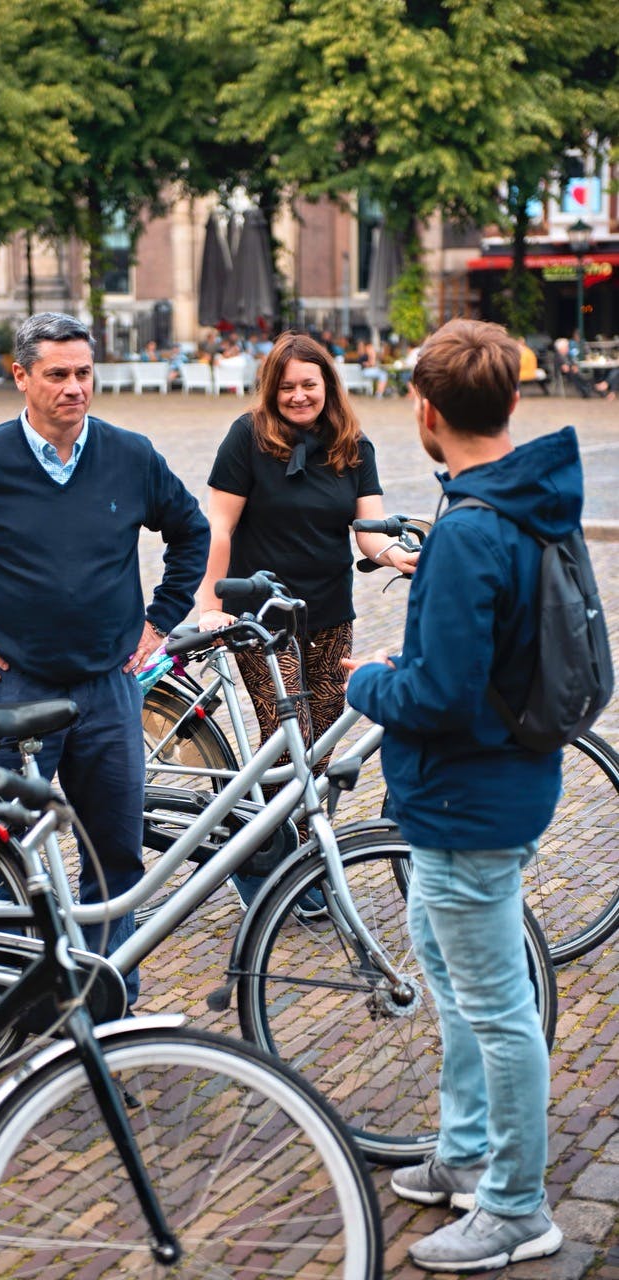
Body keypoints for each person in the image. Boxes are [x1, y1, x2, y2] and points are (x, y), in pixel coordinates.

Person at [0, 311, 210, 1006]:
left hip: (108, 688)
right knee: (5, 857)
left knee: (113, 856)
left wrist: (159, 620)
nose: (73, 387)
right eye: (57, 374)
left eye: (83, 372)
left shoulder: (130, 455)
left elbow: (190, 530)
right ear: (21, 376)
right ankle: (5, 1001)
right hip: (14, 690)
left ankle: (107, 1001)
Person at [345, 318, 567, 1272]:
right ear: (512, 400)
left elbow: (436, 698)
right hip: (499, 781)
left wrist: (370, 680)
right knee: (454, 974)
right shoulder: (529, 502)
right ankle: (467, 1151)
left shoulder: (471, 529)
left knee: (496, 1006)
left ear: (424, 412)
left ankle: (515, 1206)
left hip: (464, 799)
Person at [197, 330, 418, 905]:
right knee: (285, 734)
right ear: (272, 389)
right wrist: (210, 605)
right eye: (287, 386)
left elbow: (368, 532)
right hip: (261, 615)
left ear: (328, 386)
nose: (299, 396)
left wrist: (397, 555)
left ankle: (292, 851)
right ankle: (269, 865)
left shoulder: (352, 444)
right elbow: (219, 526)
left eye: (309, 385)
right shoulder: (247, 437)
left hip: (327, 611)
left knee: (318, 744)